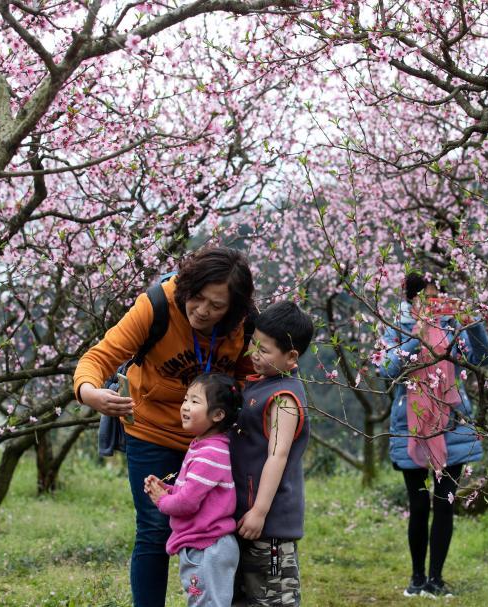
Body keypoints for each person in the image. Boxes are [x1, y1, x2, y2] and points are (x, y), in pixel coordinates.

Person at [73, 246, 255, 607]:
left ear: (233, 309)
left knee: (221, 528)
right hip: (152, 432)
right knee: (155, 530)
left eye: (216, 306)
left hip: (214, 441)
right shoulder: (157, 306)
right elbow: (99, 357)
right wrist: (89, 392)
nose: (202, 311)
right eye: (197, 298)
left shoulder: (243, 326)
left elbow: (251, 377)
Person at [378, 272, 488, 598]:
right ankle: (417, 578)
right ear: (410, 299)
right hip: (411, 424)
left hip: (452, 423)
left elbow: (485, 359)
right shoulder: (397, 327)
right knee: (418, 504)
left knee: (444, 503)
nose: (431, 304)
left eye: (436, 297)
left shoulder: (453, 328)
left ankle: (436, 580)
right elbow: (386, 369)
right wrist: (415, 334)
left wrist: (472, 323)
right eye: (424, 298)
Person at [229, 301, 314, 607]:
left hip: (270, 526)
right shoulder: (260, 385)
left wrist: (260, 511)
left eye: (263, 350)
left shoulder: (284, 398)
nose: (253, 353)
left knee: (273, 597)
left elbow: (278, 455)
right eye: (253, 343)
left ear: (291, 357)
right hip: (246, 517)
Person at [145, 373, 243, 606]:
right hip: (204, 546)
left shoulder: (209, 453)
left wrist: (162, 500)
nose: (185, 406)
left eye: (195, 401)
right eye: (186, 399)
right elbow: (194, 492)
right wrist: (168, 490)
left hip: (207, 548)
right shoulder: (204, 446)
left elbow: (187, 503)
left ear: (218, 415)